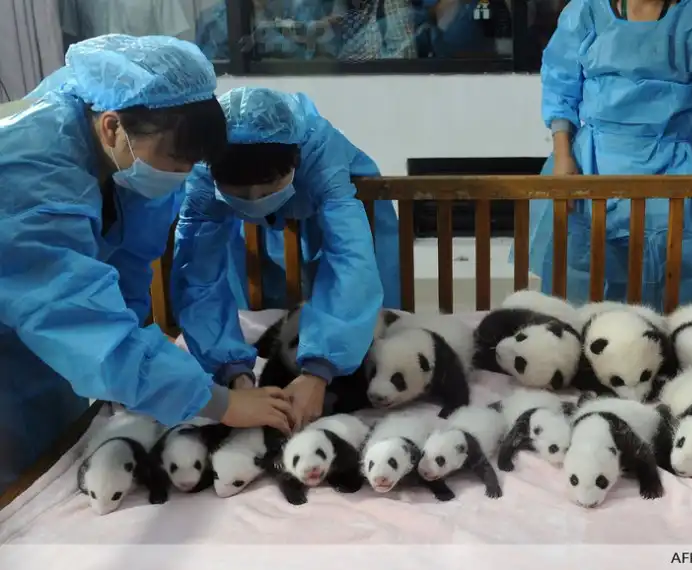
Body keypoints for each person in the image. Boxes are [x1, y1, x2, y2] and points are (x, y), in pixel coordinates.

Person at [0, 35, 293, 494]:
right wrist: (219, 403)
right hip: (25, 338)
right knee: (17, 480)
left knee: (53, 450)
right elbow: (79, 319)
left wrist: (143, 373)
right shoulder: (29, 174)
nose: (182, 175)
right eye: (176, 160)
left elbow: (128, 269)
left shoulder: (130, 150)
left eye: (192, 164)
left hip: (42, 342)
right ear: (112, 128)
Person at [172, 86, 397, 429]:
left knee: (368, 304)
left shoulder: (319, 150)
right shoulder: (204, 168)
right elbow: (198, 276)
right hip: (259, 224)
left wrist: (319, 371)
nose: (254, 198)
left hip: (341, 203)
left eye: (268, 187)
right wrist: (232, 373)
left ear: (295, 161)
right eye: (239, 192)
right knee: (265, 298)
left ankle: (335, 365)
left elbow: (350, 260)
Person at [518, 0, 692, 310]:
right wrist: (562, 157)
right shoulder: (587, 12)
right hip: (593, 164)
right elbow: (561, 87)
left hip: (673, 168)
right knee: (582, 287)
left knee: (671, 287)